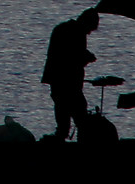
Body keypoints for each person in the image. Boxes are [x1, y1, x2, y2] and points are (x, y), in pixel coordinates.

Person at [42, 8, 99, 141]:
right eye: (90, 28)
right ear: (86, 22)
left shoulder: (63, 28)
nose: (90, 32)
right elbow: (73, 57)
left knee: (63, 111)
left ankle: (62, 136)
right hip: (68, 81)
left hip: (56, 79)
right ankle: (79, 138)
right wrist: (88, 57)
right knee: (78, 112)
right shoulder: (77, 32)